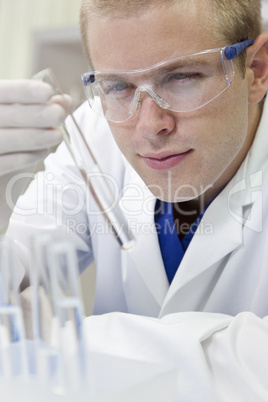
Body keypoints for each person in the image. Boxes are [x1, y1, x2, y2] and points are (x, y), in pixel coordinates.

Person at [1, 0, 268, 399]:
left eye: (182, 77)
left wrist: (63, 344)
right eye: (118, 86)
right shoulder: (93, 133)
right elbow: (18, 264)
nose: (149, 126)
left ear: (256, 70)